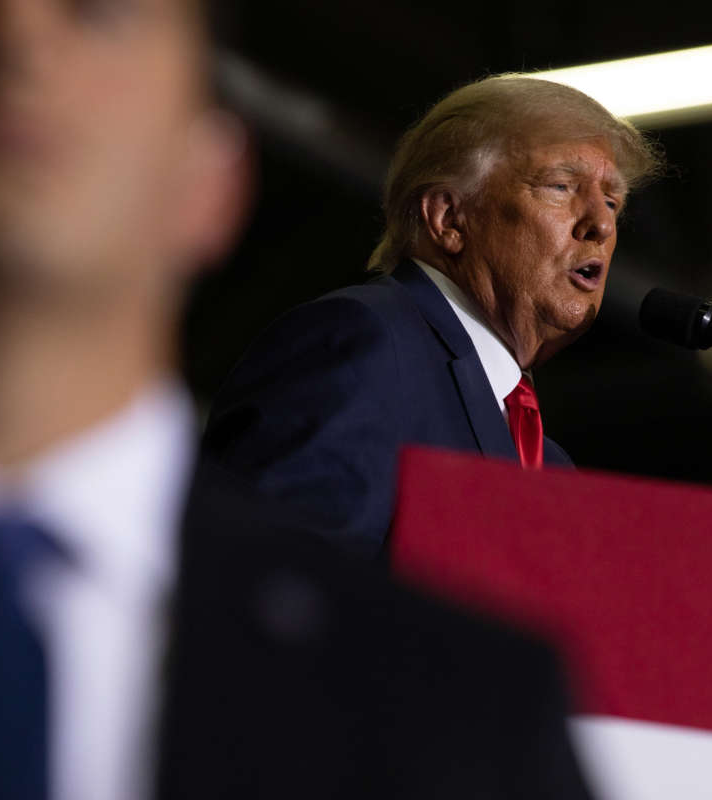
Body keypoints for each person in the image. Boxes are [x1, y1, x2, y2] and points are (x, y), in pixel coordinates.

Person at [0, 2, 595, 799]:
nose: (11, 35)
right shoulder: (371, 345)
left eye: (100, 9)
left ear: (214, 177)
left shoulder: (488, 720)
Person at [203, 75, 664, 558]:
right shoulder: (360, 343)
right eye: (561, 185)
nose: (602, 224)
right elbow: (280, 587)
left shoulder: (550, 464)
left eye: (613, 201)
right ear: (448, 219)